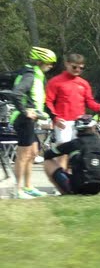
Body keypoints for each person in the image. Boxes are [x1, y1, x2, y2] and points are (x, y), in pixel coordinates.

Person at [45, 53, 100, 169]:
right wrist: (55, 118)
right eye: (74, 67)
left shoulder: (83, 83)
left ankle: (75, 180)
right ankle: (62, 181)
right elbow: (48, 102)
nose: (78, 70)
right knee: (63, 153)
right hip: (63, 122)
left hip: (80, 124)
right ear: (66, 64)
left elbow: (89, 101)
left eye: (81, 68)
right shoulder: (55, 82)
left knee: (78, 153)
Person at [9, 46, 57, 199]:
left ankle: (28, 187)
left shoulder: (37, 75)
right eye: (49, 63)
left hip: (31, 119)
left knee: (33, 152)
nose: (51, 66)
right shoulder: (29, 76)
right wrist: (25, 111)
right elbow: (16, 94)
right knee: (23, 154)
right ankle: (18, 190)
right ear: (40, 61)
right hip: (23, 119)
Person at [43, 115, 100, 195]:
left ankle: (63, 192)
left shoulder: (74, 144)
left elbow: (47, 155)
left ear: (77, 129)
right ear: (93, 127)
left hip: (79, 187)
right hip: (99, 187)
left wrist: (67, 154)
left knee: (47, 163)